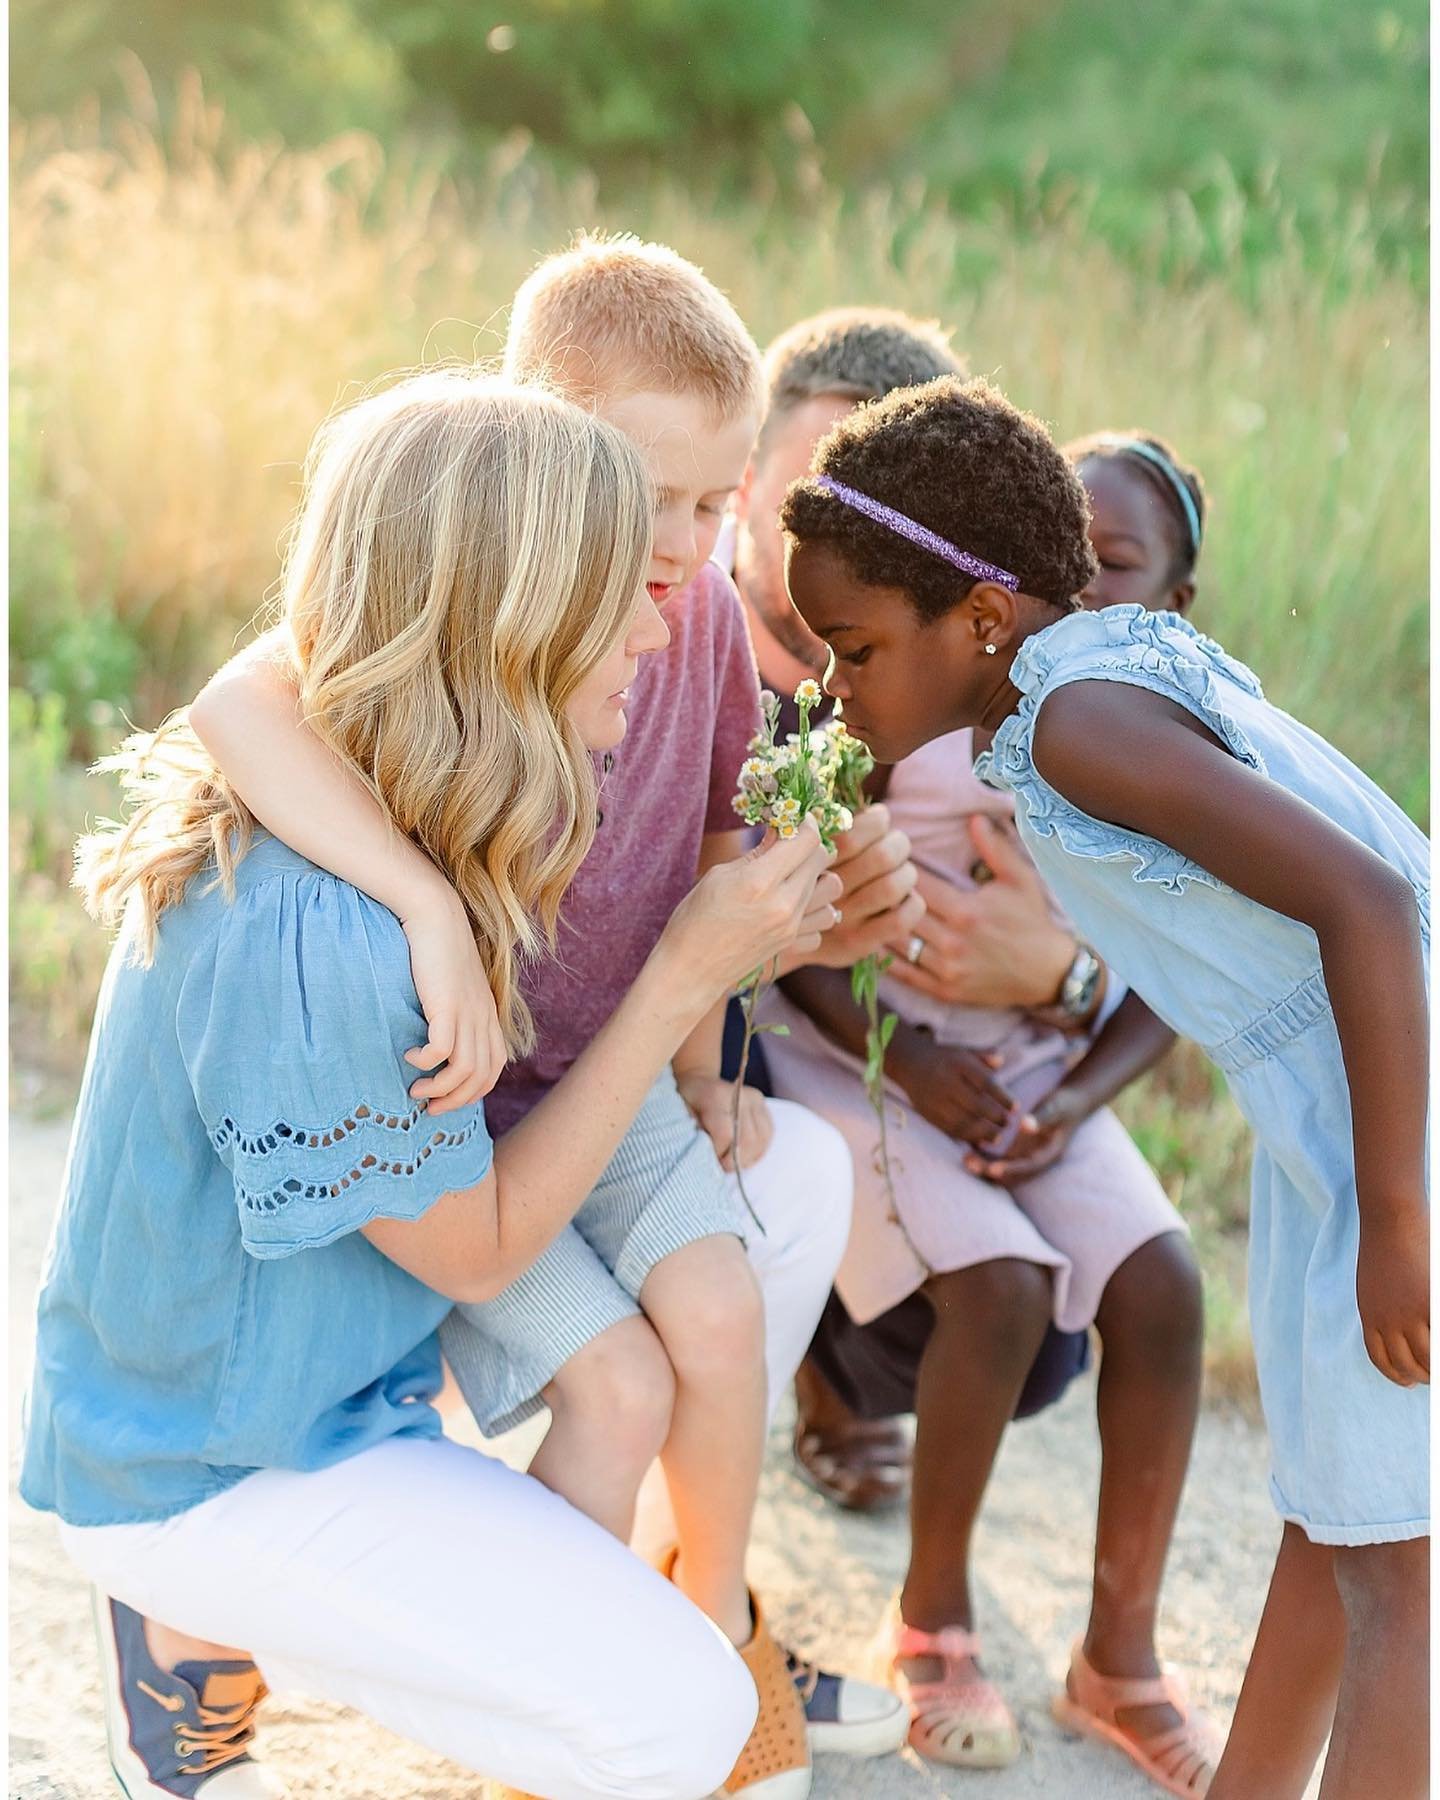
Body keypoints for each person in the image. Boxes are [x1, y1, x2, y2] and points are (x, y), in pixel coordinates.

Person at [20, 372, 847, 1800]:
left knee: (784, 1207)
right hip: (214, 1472)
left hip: (335, 1414)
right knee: (675, 1718)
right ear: (505, 625)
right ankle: (191, 1627)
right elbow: (479, 1247)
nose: (661, 628)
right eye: (621, 595)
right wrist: (676, 986)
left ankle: (503, 1670)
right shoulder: (316, 931)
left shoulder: (402, 815)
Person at [186, 238, 911, 1794]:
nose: (690, 545)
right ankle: (562, 1708)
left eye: (721, 506)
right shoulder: (462, 603)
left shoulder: (706, 618)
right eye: (653, 499)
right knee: (621, 1381)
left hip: (618, 1066)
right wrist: (431, 902)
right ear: (529, 447)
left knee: (717, 1318)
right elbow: (237, 705)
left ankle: (708, 1653)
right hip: (458, 1101)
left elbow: (718, 837)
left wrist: (718, 1051)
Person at [780, 374, 1430, 1800]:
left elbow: (1373, 906)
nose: (832, 687)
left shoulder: (1081, 725)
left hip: (1398, 1101)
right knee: (1338, 1518)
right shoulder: (1080, 686)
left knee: (1396, 1576)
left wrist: (1395, 1213)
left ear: (981, 618)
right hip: (1338, 1102)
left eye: (851, 648)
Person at [757, 424, 1213, 1793]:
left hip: (1033, 1079)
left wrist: (1070, 1099)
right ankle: (933, 1621)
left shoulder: (1162, 752)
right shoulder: (926, 713)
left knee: (1169, 1286)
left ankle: (1118, 1660)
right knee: (1004, 1286)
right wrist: (906, 1053)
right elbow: (801, 932)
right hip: (880, 1061)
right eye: (1067, 563)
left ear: (1179, 604)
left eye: (1116, 568)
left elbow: (1180, 973)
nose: (1085, 593)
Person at [723, 309, 1105, 1511]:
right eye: (804, 492)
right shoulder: (669, 651)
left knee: (1033, 1340)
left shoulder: (978, 695)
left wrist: (1064, 976)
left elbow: (1128, 902)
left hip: (939, 1050)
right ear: (744, 483)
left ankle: (848, 1370)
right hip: (731, 1054)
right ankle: (750, 1407)